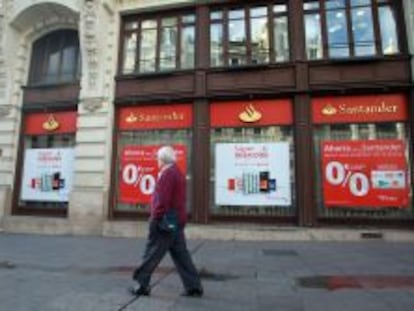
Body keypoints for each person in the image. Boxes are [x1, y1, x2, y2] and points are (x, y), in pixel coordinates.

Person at [129, 145, 203, 297]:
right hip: (176, 220)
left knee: (152, 253)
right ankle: (194, 287)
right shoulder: (177, 172)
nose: (157, 161)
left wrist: (155, 218)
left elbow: (163, 200)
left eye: (157, 158)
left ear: (162, 160)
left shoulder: (168, 174)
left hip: (165, 222)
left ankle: (141, 284)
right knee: (181, 256)